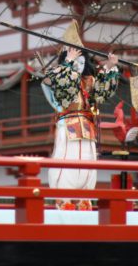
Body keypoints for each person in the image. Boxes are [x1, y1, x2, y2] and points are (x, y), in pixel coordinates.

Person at [41, 23, 119, 210]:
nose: (78, 62)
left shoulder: (89, 80)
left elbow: (101, 94)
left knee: (87, 165)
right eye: (74, 57)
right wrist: (68, 62)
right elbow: (65, 91)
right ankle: (65, 201)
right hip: (68, 125)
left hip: (87, 127)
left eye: (80, 58)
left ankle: (84, 200)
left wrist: (108, 67)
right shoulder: (55, 75)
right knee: (67, 163)